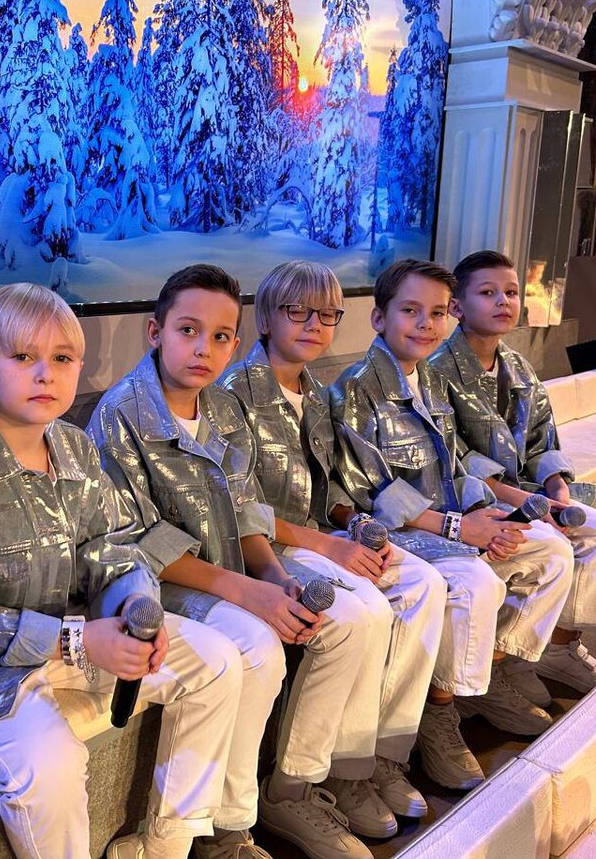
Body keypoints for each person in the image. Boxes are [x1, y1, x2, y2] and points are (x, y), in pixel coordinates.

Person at [0, 283, 244, 859]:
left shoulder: (75, 448)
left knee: (217, 661)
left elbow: (112, 544)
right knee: (51, 760)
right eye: (23, 357)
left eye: (62, 358)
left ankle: (165, 845)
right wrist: (75, 641)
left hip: (76, 636)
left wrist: (135, 608)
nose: (46, 374)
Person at [89, 264, 374, 859]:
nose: (203, 348)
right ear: (155, 332)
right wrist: (247, 593)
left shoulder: (220, 407)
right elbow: (139, 542)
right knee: (255, 647)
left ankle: (256, 809)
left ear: (235, 342)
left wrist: (275, 578)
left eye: (220, 337)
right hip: (150, 586)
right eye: (188, 330)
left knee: (338, 620)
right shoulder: (120, 415)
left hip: (223, 573)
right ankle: (205, 832)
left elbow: (245, 511)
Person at [217, 261, 447, 838]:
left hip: (319, 539)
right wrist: (329, 544)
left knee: (424, 583)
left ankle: (368, 761)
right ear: (265, 319)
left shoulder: (317, 394)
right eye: (298, 311)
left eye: (327, 314)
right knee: (356, 616)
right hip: (265, 549)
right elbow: (239, 510)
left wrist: (359, 527)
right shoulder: (232, 395)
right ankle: (292, 785)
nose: (314, 324)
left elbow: (335, 488)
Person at [329, 259, 574, 793]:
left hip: (447, 522)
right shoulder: (355, 389)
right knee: (474, 582)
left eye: (437, 313)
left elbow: (457, 464)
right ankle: (435, 716)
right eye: (411, 310)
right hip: (398, 531)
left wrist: (490, 514)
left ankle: (487, 676)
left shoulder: (432, 382)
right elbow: (368, 488)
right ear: (379, 318)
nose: (426, 324)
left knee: (551, 552)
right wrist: (462, 528)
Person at [430, 250, 596, 700]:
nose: (503, 301)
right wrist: (530, 504)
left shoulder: (518, 366)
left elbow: (542, 439)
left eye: (511, 292)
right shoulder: (437, 370)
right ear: (457, 306)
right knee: (550, 546)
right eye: (488, 292)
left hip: (529, 494)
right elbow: (455, 459)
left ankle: (558, 648)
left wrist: (559, 491)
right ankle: (499, 669)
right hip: (476, 501)